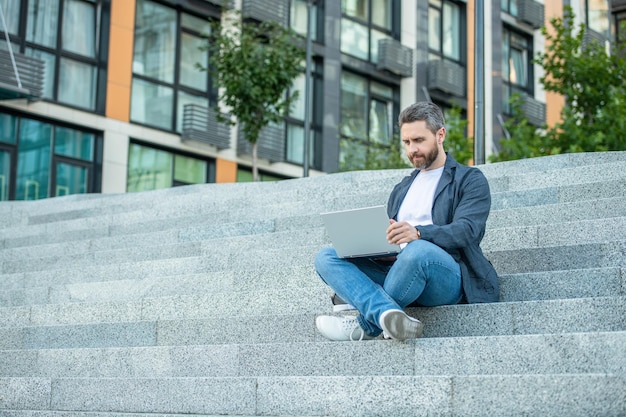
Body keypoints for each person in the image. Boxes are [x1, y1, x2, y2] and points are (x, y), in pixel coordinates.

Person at [315, 101, 498, 341]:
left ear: (440, 134)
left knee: (417, 251)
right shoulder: (402, 188)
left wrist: (419, 234)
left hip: (445, 276)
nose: (412, 149)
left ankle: (364, 325)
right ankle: (387, 314)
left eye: (419, 140)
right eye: (407, 142)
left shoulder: (469, 180)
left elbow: (468, 231)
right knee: (326, 256)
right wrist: (380, 249)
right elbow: (395, 238)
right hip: (398, 271)